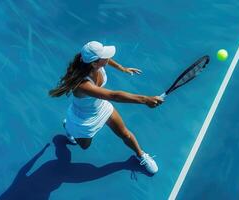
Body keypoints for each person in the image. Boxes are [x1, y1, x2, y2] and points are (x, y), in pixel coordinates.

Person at [49, 41, 164, 174]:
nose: (108, 58)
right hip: (85, 117)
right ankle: (69, 126)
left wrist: (122, 68)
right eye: (104, 56)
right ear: (94, 63)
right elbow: (113, 95)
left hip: (101, 106)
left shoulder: (94, 64)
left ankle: (141, 155)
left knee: (125, 133)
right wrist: (145, 100)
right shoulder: (83, 85)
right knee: (84, 146)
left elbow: (107, 61)